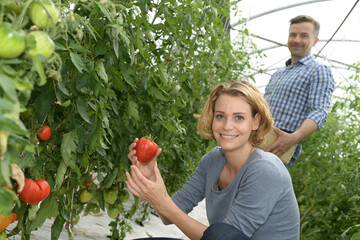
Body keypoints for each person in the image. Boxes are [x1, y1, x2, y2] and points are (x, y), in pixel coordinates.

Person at [126, 80, 300, 240]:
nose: (227, 126)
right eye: (220, 116)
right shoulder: (213, 160)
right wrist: (150, 177)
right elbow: (168, 216)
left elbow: (222, 238)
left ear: (255, 122)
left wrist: (163, 202)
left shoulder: (266, 170)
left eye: (239, 117)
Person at [264, 15, 335, 168]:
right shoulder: (278, 73)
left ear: (315, 41)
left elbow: (319, 111)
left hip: (282, 140)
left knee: (255, 184)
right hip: (261, 134)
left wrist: (293, 138)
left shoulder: (319, 70)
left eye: (304, 36)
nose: (296, 40)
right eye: (293, 35)